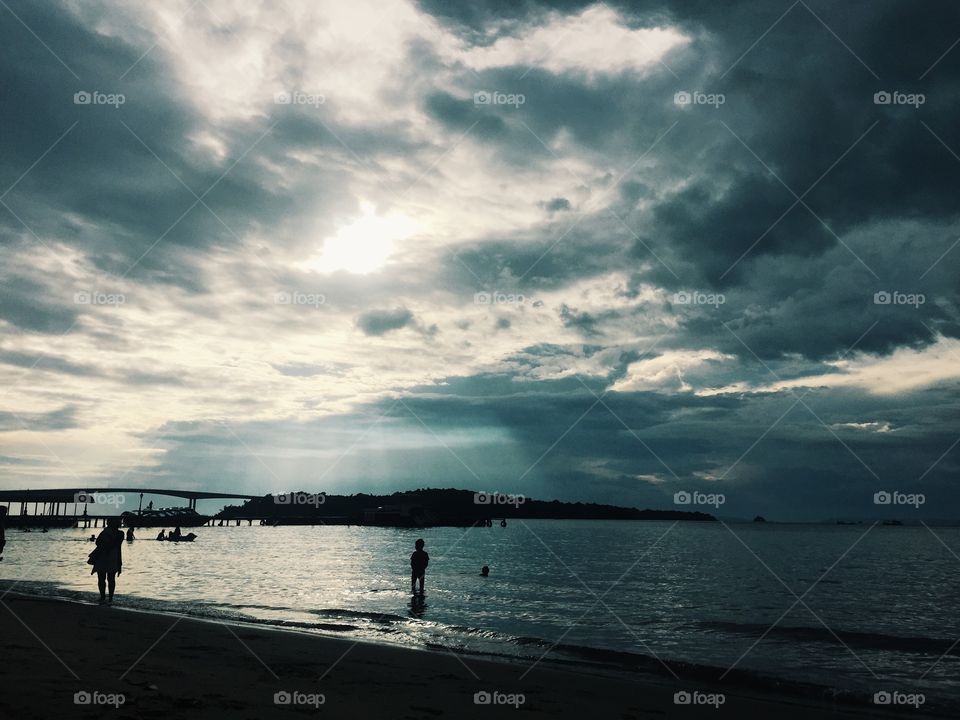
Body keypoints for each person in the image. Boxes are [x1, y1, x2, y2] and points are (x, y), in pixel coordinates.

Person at [92, 517, 123, 605]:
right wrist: (119, 563)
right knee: (111, 579)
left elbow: (97, 543)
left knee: (101, 579)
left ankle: (103, 597)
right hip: (113, 557)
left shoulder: (105, 532)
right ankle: (110, 598)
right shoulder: (120, 534)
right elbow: (118, 547)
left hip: (103, 557)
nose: (120, 524)